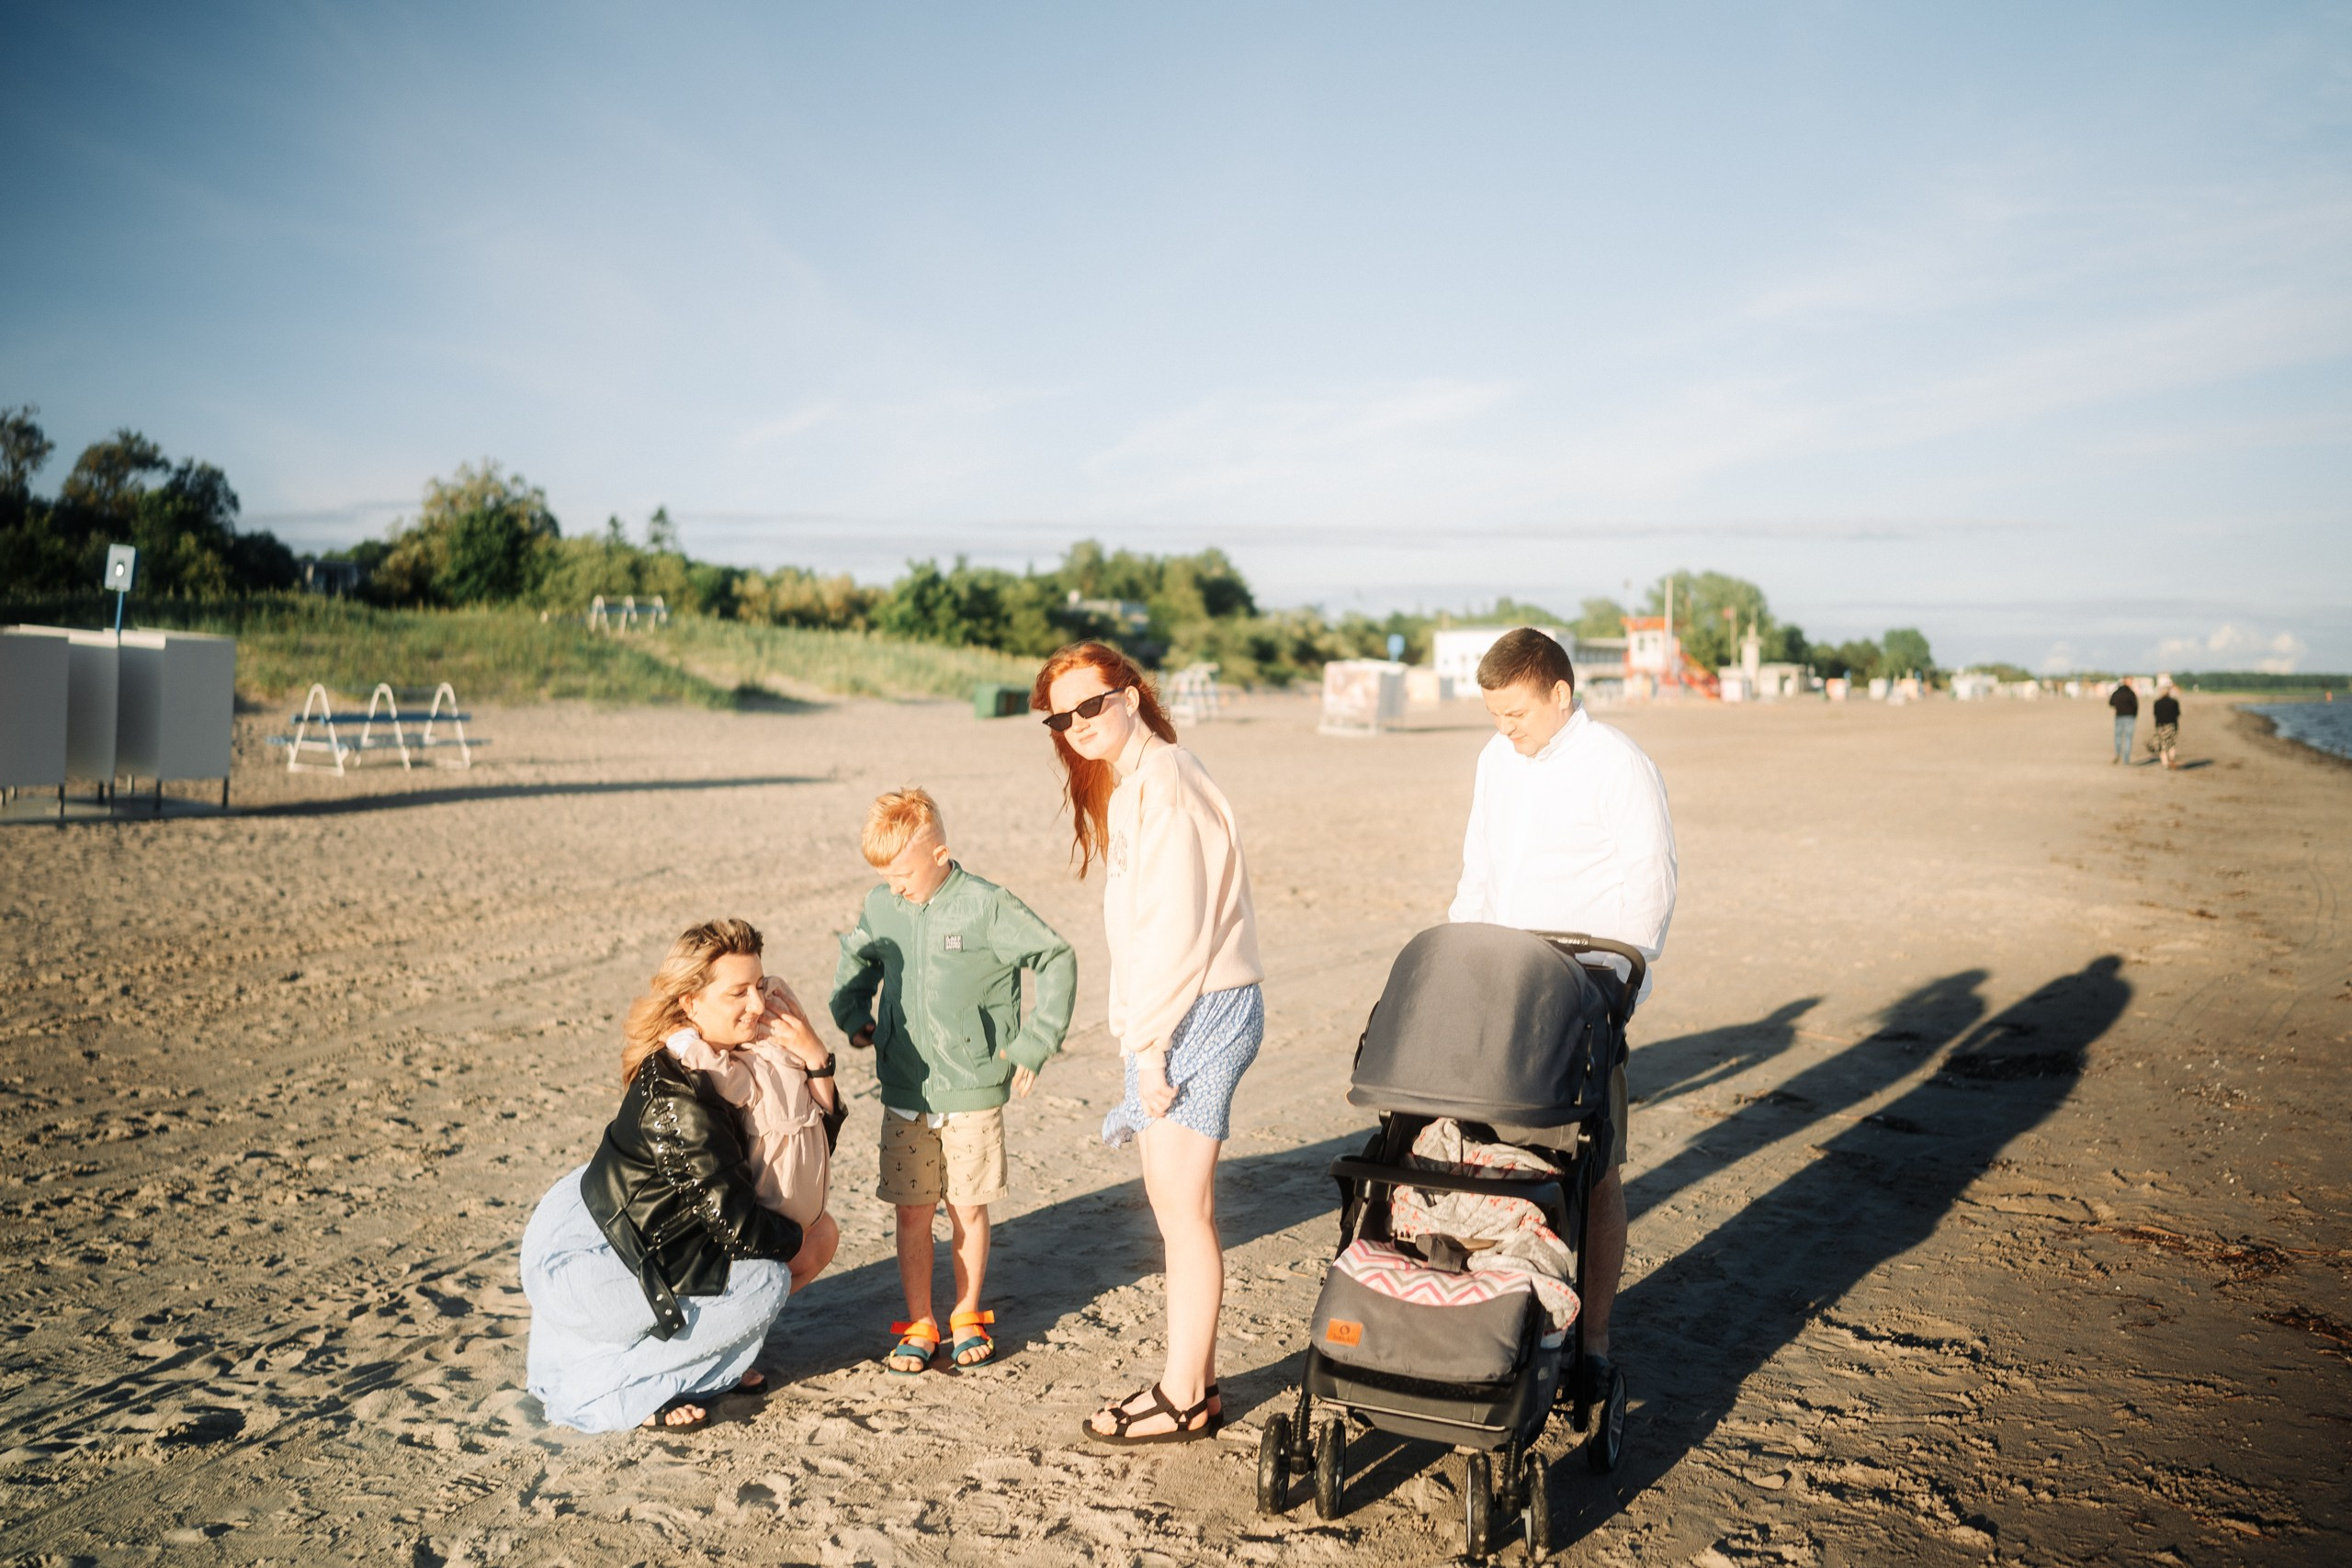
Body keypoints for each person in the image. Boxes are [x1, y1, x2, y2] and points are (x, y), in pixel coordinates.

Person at [1035, 641, 1264, 1445]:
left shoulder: (1165, 783)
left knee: (1181, 1210)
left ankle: (1183, 1395)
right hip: (1182, 1010)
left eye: (1090, 705)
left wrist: (1151, 1049)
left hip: (1198, 1010)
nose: (1076, 725)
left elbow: (1174, 934)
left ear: (1129, 694)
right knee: (1179, 1208)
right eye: (1060, 717)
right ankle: (1190, 1383)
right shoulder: (1140, 783)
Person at [1448, 627, 1677, 1419]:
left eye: (1514, 711)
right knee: (1489, 1153)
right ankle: (1493, 1315)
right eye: (1493, 713)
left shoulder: (1618, 764)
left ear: (1560, 695)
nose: (1503, 727)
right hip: (1498, 987)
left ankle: (1596, 1340)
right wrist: (1457, 966)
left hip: (1584, 992)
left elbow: (1650, 882)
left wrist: (1617, 991)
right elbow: (1478, 871)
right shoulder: (1493, 761)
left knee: (1595, 1164)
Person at [520, 919, 839, 1433]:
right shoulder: (681, 1089)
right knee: (768, 1276)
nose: (758, 1005)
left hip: (668, 1233)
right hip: (609, 1259)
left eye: (760, 986)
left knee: (817, 1236)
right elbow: (737, 1228)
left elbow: (805, 1159)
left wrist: (815, 1058)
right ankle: (639, 1386)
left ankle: (706, 1357)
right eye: (738, 992)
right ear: (690, 1002)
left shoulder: (735, 1060)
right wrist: (791, 1234)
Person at [830, 788, 1077, 1375]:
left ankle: (966, 1313)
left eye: (904, 874)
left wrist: (1032, 1044)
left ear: (941, 854)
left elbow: (1056, 957)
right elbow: (856, 963)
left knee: (966, 1206)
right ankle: (920, 1321)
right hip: (905, 1090)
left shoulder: (987, 907)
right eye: (885, 877)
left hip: (972, 1089)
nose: (896, 886)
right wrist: (855, 1017)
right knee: (912, 1211)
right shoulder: (883, 905)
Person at [2151, 682, 2181, 770]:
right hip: (2172, 725)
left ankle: (2165, 764)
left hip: (2161, 726)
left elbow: (2155, 714)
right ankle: (2171, 758)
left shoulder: (2157, 703)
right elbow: (2177, 714)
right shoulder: (2174, 702)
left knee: (2163, 746)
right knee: (2172, 744)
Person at [2109, 679, 2140, 764]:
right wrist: (2134, 715)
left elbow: (2110, 703)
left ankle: (2118, 753)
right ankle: (2126, 758)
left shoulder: (2116, 693)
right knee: (2128, 738)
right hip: (2130, 717)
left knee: (2118, 736)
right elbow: (2136, 706)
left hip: (2119, 717)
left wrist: (2118, 705)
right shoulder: (2131, 693)